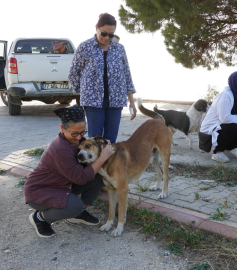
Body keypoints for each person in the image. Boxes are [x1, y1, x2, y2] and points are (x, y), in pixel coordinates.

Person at [24, 105, 115, 238]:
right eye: (74, 133)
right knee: (74, 205)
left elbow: (88, 169)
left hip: (62, 185)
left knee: (96, 176)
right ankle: (40, 217)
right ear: (62, 128)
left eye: (83, 132)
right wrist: (103, 157)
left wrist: (101, 146)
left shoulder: (77, 141)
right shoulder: (60, 148)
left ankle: (78, 213)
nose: (79, 138)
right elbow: (81, 178)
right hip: (40, 191)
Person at [69, 13, 136, 144]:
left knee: (111, 141)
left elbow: (127, 76)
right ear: (97, 28)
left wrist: (132, 102)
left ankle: (108, 165)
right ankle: (95, 165)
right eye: (104, 33)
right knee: (94, 141)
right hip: (93, 102)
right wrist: (82, 94)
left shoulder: (120, 49)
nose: (107, 38)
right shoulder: (84, 47)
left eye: (111, 35)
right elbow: (73, 74)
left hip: (116, 101)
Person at [200, 71, 237, 163]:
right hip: (208, 133)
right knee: (232, 127)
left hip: (223, 128)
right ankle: (217, 152)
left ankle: (225, 148)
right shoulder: (225, 96)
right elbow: (224, 118)